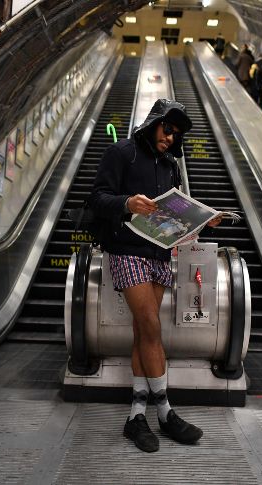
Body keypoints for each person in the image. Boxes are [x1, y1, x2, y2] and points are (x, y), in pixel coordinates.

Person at [89, 99, 221, 453]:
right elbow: (97, 197)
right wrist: (127, 203)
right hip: (126, 250)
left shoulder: (170, 164)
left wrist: (201, 220)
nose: (170, 137)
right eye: (168, 128)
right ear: (154, 123)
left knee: (141, 334)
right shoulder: (122, 153)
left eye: (176, 133)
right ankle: (164, 410)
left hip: (160, 252)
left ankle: (136, 415)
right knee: (150, 326)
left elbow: (173, 212)